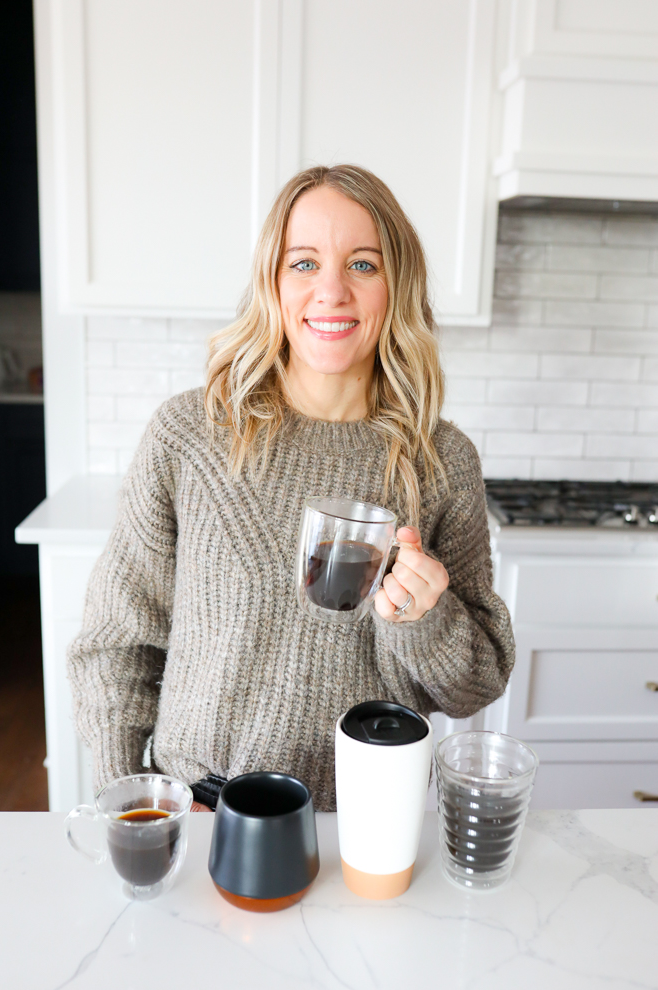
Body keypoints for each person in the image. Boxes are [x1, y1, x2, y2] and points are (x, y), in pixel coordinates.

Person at [68, 164, 515, 812]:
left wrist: (427, 617)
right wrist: (131, 803)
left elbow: (474, 687)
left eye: (362, 264)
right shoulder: (190, 436)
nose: (331, 291)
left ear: (397, 284)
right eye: (303, 263)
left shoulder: (441, 460)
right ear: (272, 284)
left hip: (365, 821)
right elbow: (117, 642)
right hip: (201, 813)